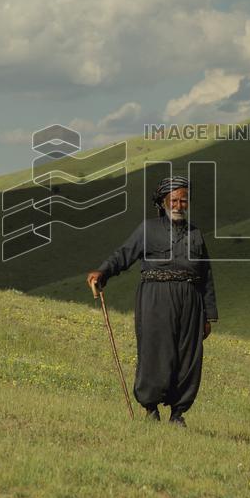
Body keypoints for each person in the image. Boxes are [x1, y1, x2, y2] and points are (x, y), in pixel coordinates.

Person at [86, 174, 218, 427]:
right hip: (156, 297)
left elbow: (206, 275)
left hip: (190, 300)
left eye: (184, 201)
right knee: (155, 351)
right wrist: (102, 272)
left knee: (188, 356)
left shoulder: (195, 234)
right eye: (174, 200)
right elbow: (123, 255)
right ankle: (150, 408)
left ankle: (178, 414)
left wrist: (208, 315)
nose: (179, 205)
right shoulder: (147, 229)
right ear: (163, 202)